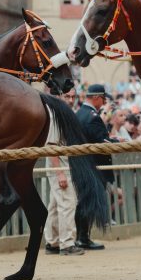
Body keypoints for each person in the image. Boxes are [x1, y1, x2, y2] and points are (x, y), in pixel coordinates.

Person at [74, 84, 116, 250]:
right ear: (97, 97)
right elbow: (102, 143)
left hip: (83, 164)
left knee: (84, 201)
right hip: (94, 165)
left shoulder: (80, 114)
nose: (104, 102)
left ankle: (81, 237)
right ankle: (83, 238)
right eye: (104, 99)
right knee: (88, 202)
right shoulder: (92, 116)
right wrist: (117, 142)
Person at [44, 87, 84, 255]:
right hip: (59, 165)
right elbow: (51, 146)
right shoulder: (55, 115)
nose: (70, 99)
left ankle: (52, 242)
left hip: (62, 164)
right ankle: (67, 243)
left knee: (55, 205)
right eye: (67, 96)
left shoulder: (63, 113)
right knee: (67, 203)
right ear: (59, 96)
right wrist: (60, 172)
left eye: (73, 96)